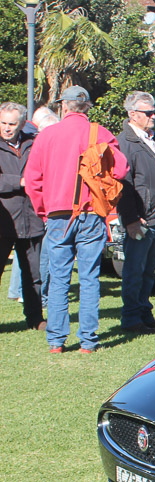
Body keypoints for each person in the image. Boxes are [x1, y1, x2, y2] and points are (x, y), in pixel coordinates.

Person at [25, 86, 127, 354]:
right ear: (87, 107)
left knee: (58, 278)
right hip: (91, 212)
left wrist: (43, 211)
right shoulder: (99, 133)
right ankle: (88, 341)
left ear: (64, 107)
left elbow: (33, 180)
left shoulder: (47, 135)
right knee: (90, 277)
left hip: (57, 215)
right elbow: (122, 169)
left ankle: (56, 340)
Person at [116, 91, 155, 333]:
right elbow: (122, 183)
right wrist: (130, 219)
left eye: (154, 112)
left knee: (148, 271)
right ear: (133, 114)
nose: (153, 116)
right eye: (148, 113)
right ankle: (131, 319)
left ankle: (144, 313)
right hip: (141, 218)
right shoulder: (125, 142)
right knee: (134, 270)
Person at [0, 102, 45, 330]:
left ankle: (35, 318)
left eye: (12, 124)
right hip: (4, 220)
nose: (7, 128)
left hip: (31, 218)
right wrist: (19, 182)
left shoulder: (33, 142)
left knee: (33, 274)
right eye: (3, 123)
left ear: (22, 124)